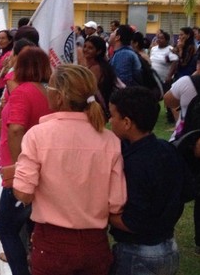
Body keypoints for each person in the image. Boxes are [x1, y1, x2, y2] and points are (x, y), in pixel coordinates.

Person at [12, 64, 127, 275]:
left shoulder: (38, 135)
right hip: (96, 243)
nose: (46, 90)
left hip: (52, 243)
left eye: (49, 87)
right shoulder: (110, 140)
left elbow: (23, 194)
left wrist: (17, 174)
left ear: (60, 97)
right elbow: (116, 203)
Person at [108, 86, 190, 275]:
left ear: (127, 122)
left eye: (112, 116)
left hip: (138, 254)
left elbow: (133, 222)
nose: (110, 121)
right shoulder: (167, 149)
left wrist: (100, 213)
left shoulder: (135, 164)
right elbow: (186, 191)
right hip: (169, 248)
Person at [0, 46, 52, 275]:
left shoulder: (22, 92)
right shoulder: (46, 91)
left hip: (20, 174)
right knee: (31, 228)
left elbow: (17, 128)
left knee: (6, 230)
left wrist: (19, 166)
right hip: (40, 167)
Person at [164, 47, 200, 254]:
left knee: (178, 191)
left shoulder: (187, 82)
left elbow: (168, 100)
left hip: (184, 143)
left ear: (199, 63)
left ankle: (166, 231)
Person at [81, 35, 118, 116]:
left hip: (96, 110)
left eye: (90, 48)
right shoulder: (92, 66)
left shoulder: (96, 68)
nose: (85, 50)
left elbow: (87, 90)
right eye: (85, 46)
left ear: (98, 51)